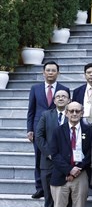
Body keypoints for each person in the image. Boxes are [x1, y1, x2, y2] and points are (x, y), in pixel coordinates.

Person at [49, 102, 92, 207]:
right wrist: (68, 170)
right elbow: (54, 154)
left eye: (77, 111)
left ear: (82, 113)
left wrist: (77, 169)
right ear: (66, 113)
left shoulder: (89, 131)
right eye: (71, 111)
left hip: (80, 175)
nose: (74, 114)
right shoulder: (57, 131)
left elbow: (90, 154)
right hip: (60, 177)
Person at [27, 61, 70, 199]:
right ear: (43, 72)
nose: (50, 72)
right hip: (39, 129)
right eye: (48, 70)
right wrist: (29, 129)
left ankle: (58, 182)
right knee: (39, 158)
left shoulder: (64, 89)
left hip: (58, 128)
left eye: (53, 70)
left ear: (58, 72)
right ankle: (40, 187)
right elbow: (31, 110)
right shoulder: (35, 88)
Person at [35, 89, 72, 207]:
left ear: (69, 100)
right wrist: (50, 154)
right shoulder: (46, 115)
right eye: (58, 96)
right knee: (49, 196)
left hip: (67, 163)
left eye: (64, 96)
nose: (61, 98)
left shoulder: (73, 115)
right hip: (48, 163)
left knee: (67, 195)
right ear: (54, 100)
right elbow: (39, 136)